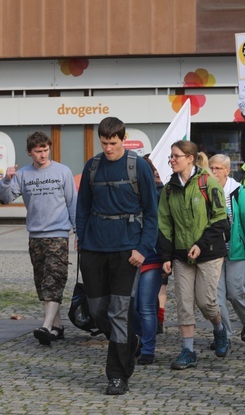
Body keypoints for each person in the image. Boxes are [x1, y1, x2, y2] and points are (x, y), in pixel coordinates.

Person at [76, 117, 158, 395]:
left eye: (113, 143)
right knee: (98, 311)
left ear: (123, 139)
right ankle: (130, 344)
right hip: (94, 249)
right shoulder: (93, 166)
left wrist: (143, 249)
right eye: (104, 143)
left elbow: (151, 213)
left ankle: (117, 375)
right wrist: (82, 241)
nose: (108, 148)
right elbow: (83, 208)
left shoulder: (139, 167)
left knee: (119, 312)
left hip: (127, 252)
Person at [158, 140, 230, 371]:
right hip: (181, 255)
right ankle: (188, 350)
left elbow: (220, 219)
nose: (172, 160)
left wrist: (201, 244)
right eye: (171, 156)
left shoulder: (207, 183)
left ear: (190, 158)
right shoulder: (168, 189)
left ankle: (220, 330)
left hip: (208, 253)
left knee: (206, 302)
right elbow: (165, 224)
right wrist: (166, 256)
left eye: (177, 156)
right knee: (184, 303)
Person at [0, 131, 76, 346]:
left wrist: (79, 231)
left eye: (45, 150)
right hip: (35, 236)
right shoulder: (23, 174)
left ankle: (46, 326)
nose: (43, 154)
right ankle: (57, 327)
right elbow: (5, 198)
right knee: (43, 284)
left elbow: (73, 202)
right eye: (38, 151)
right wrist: (6, 180)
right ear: (29, 153)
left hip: (58, 235)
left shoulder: (63, 171)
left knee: (54, 280)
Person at [208, 154, 245, 348]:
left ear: (228, 171)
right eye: (211, 167)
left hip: (237, 251)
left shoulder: (239, 192)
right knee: (216, 295)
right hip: (215, 252)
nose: (214, 172)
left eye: (218, 168)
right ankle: (224, 335)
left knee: (235, 292)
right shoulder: (207, 192)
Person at [132, 155, 166, 365]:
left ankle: (148, 349)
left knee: (145, 305)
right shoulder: (128, 193)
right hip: (129, 256)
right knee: (131, 305)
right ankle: (136, 342)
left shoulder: (161, 195)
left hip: (152, 255)